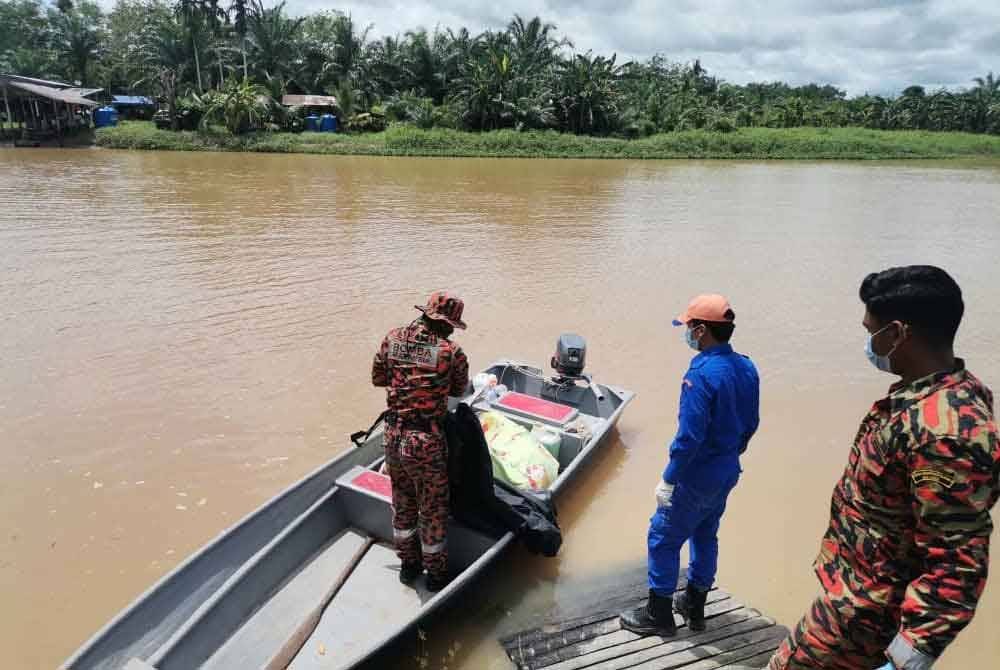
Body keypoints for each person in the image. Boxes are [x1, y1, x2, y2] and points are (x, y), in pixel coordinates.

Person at [769, 266, 1000, 670]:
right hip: (855, 595)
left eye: (871, 330)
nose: (869, 343)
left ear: (897, 333)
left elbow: (957, 559)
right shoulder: (941, 393)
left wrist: (910, 655)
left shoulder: (943, 433)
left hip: (867, 619)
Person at [620, 294, 760, 636]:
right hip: (727, 470)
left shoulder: (701, 374)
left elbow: (689, 437)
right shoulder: (746, 367)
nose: (686, 333)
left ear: (701, 331)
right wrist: (729, 455)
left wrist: (669, 478)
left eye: (688, 327)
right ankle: (694, 605)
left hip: (696, 474)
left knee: (663, 538)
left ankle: (659, 615)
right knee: (705, 534)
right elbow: (751, 422)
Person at [372, 291, 470, 592]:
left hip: (393, 436)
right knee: (432, 508)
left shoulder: (392, 338)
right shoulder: (451, 352)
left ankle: (408, 565)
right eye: (452, 325)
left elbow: (378, 378)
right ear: (445, 323)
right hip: (424, 442)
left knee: (402, 502)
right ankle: (436, 575)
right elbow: (458, 390)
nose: (453, 330)